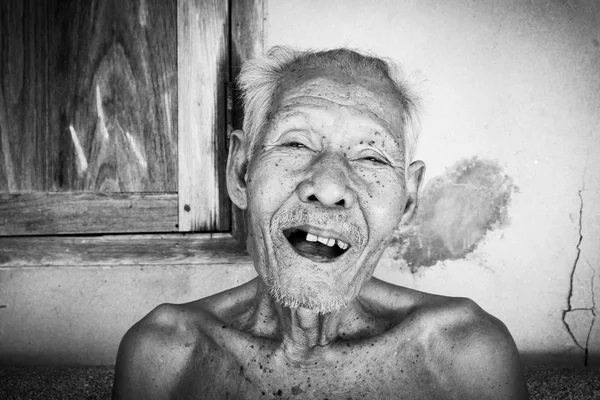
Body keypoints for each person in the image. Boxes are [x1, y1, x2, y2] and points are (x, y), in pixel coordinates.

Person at [112, 47, 529, 399]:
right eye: (296, 142)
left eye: (371, 157)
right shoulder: (163, 354)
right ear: (241, 172)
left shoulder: (467, 356)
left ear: (407, 200)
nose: (329, 188)